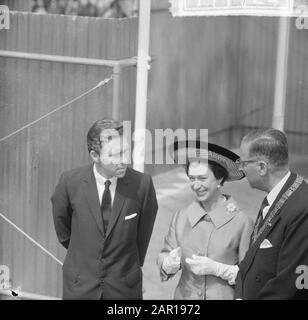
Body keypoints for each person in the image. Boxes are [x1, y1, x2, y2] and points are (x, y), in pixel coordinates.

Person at [51, 119, 158, 300]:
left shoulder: (143, 185)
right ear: (95, 156)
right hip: (80, 287)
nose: (124, 160)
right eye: (114, 154)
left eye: (125, 151)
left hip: (124, 289)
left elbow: (142, 237)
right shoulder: (69, 183)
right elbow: (64, 231)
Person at [157, 139, 254, 300]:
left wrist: (219, 269)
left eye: (202, 178)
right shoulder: (181, 217)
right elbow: (165, 256)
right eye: (191, 178)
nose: (195, 185)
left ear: (220, 179)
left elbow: (251, 277)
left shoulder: (242, 222)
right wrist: (168, 264)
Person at [235, 128, 308, 300]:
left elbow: (289, 283)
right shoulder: (276, 196)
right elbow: (250, 262)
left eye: (243, 163)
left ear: (261, 167)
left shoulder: (302, 209)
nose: (241, 169)